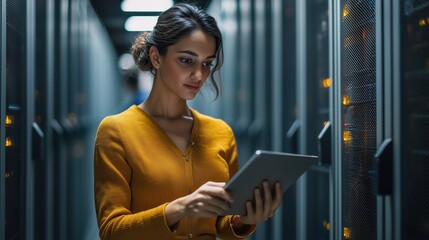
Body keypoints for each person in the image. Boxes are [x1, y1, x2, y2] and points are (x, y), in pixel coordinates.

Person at [93, 3, 282, 239]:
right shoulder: (116, 131)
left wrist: (243, 220)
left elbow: (222, 223)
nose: (199, 75)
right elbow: (111, 231)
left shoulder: (221, 132)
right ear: (156, 57)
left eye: (207, 63)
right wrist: (180, 208)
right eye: (186, 60)